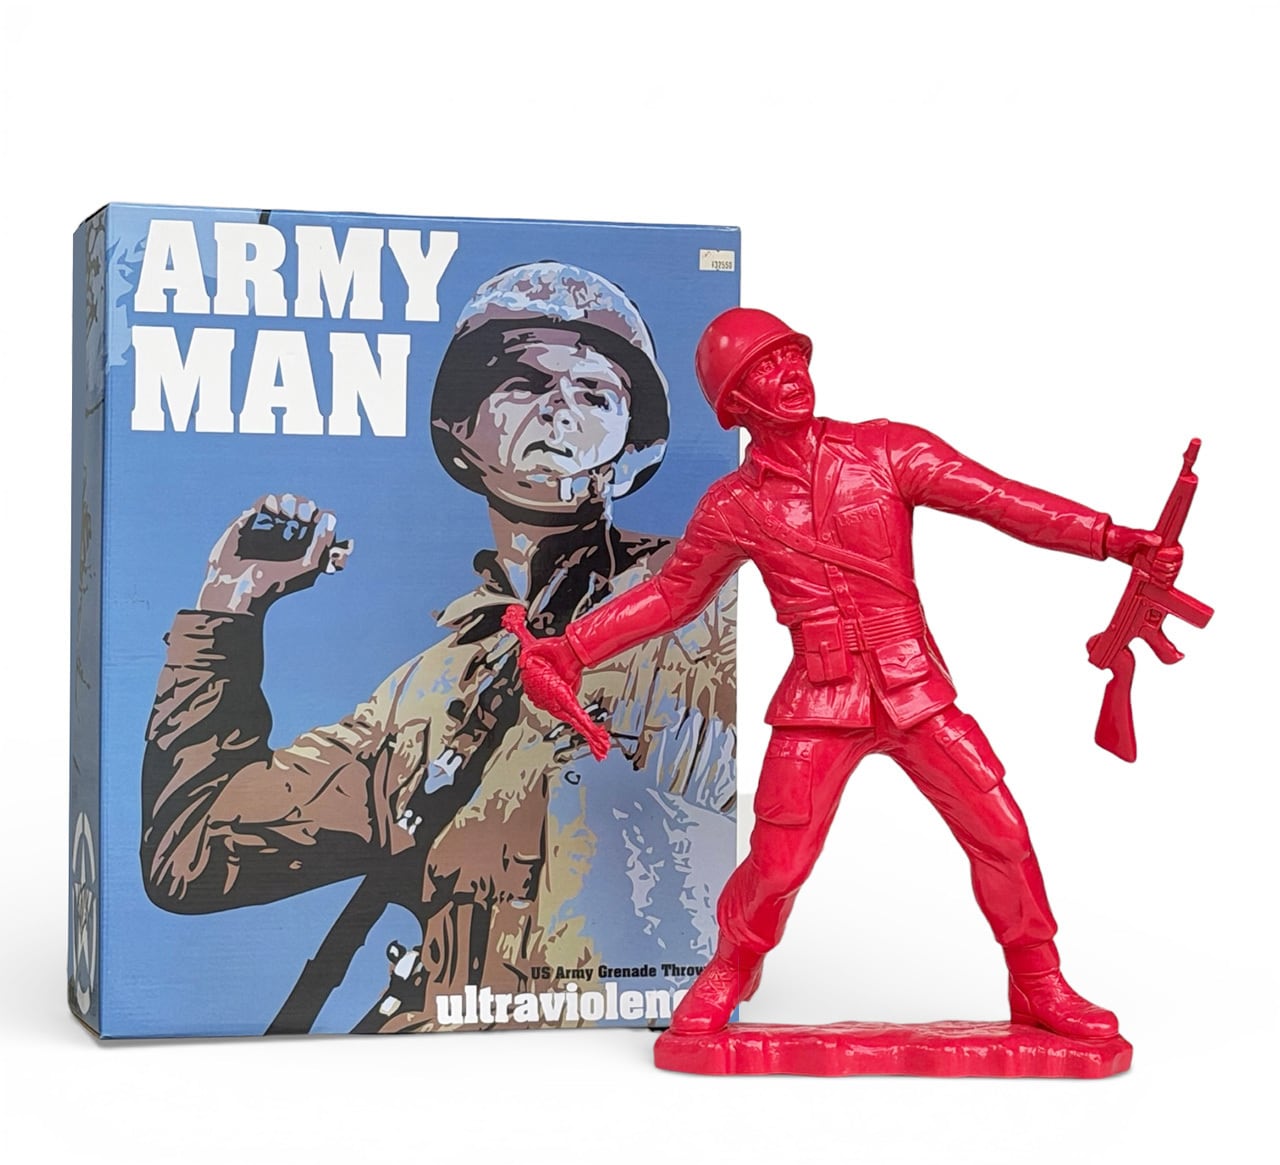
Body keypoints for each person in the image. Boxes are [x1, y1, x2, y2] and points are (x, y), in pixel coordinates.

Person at [514, 307, 1182, 1040]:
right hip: (821, 697)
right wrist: (571, 649)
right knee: (777, 864)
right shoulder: (735, 506)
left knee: (1001, 831)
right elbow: (674, 595)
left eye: (790, 357)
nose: (788, 375)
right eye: (763, 369)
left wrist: (1112, 538)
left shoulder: (887, 451)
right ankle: (732, 967)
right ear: (735, 405)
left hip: (914, 688)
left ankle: (1039, 982)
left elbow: (998, 500)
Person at [139, 263, 736, 1032]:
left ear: (632, 439)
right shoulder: (426, 699)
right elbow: (191, 856)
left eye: (595, 394)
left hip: (643, 1044)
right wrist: (230, 603)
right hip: (455, 1063)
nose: (560, 409)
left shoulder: (711, 605)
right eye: (524, 382)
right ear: (461, 427)